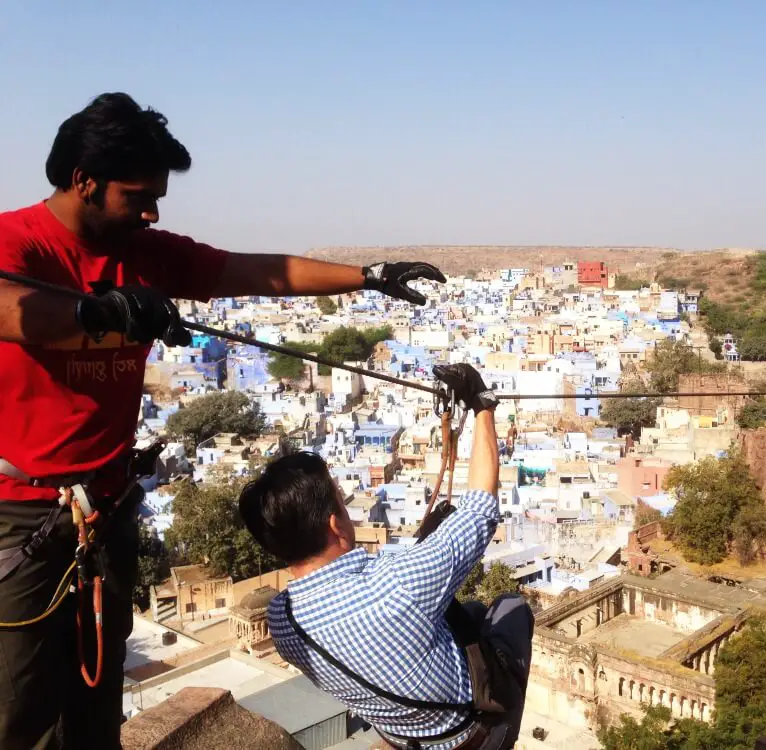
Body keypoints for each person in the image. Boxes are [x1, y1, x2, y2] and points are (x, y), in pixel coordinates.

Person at [0, 92, 446, 750]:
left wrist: (368, 276)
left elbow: (254, 272)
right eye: (137, 196)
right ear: (83, 183)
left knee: (97, 692)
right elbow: (9, 309)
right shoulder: (18, 242)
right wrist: (97, 313)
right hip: (21, 514)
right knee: (19, 701)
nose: (151, 212)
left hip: (106, 508)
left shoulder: (144, 250)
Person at [239, 364, 535, 750]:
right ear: (336, 525)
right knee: (512, 606)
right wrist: (482, 406)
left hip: (402, 737)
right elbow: (480, 508)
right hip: (472, 735)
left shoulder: (282, 621)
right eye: (342, 503)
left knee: (474, 611)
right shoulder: (399, 582)